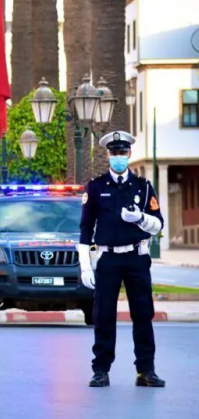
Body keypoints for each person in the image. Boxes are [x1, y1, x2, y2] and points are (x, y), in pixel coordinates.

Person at [78, 130, 165, 388]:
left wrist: (139, 218)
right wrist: (85, 266)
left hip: (137, 257)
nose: (119, 157)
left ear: (129, 154)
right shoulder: (95, 188)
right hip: (108, 259)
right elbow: (85, 229)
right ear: (108, 155)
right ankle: (101, 370)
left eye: (122, 152)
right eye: (114, 153)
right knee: (104, 315)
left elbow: (158, 225)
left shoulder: (142, 186)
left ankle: (146, 370)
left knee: (143, 314)